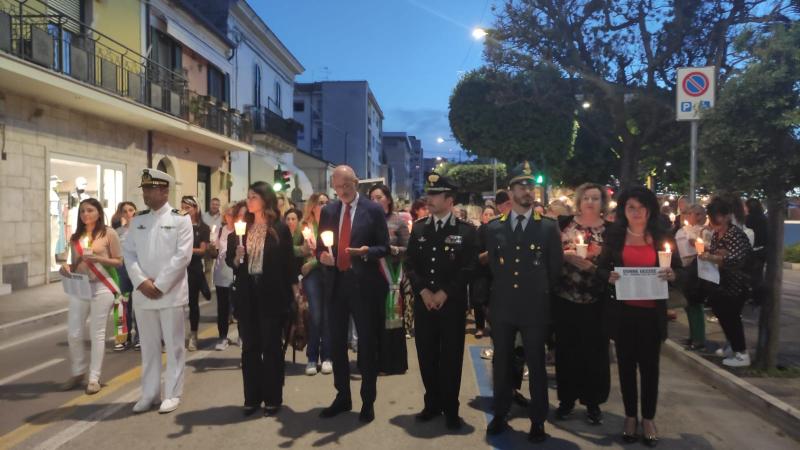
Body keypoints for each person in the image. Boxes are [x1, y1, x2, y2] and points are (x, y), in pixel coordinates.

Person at [595, 186, 682, 446]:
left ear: (650, 209)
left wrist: (673, 275)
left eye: (641, 207)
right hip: (623, 313)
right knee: (626, 368)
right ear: (623, 210)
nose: (636, 212)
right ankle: (630, 416)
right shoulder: (614, 236)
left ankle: (649, 418)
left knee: (650, 368)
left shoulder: (661, 237)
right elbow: (600, 269)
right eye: (631, 207)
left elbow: (680, 271)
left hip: (651, 315)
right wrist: (607, 276)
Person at [483, 162, 563, 443]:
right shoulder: (494, 228)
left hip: (535, 307)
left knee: (536, 365)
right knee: (502, 363)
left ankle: (538, 420)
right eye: (521, 186)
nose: (528, 190)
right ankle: (501, 413)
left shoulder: (548, 228)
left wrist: (539, 294)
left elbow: (555, 270)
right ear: (511, 191)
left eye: (531, 186)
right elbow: (493, 266)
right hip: (504, 306)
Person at [317, 165, 389, 424]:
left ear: (356, 183)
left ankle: (367, 400)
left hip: (364, 286)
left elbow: (385, 247)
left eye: (347, 185)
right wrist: (322, 257)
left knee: (367, 345)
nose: (343, 191)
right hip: (336, 285)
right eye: (337, 187)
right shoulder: (329, 211)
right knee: (336, 344)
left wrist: (368, 251)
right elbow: (319, 247)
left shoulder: (373, 210)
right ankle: (342, 396)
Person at [405, 173, 477, 430]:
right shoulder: (421, 227)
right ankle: (431, 403)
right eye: (429, 194)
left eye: (435, 195)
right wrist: (423, 291)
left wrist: (445, 292)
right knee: (426, 354)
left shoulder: (465, 231)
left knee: (450, 357)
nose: (429, 199)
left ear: (450, 200)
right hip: (425, 304)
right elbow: (410, 264)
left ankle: (450, 408)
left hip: (451, 305)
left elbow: (469, 268)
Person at [227, 182, 300, 416]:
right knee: (250, 348)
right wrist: (237, 258)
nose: (249, 201)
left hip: (271, 294)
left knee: (271, 347)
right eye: (248, 196)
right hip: (248, 295)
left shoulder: (278, 228)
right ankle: (252, 398)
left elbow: (288, 264)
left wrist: (295, 292)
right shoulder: (242, 228)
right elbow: (232, 262)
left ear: (265, 200)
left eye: (253, 196)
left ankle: (272, 398)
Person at [124, 169, 193, 414]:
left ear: (164, 190)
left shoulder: (180, 219)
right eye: (144, 189)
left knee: (174, 346)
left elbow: (182, 256)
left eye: (149, 189)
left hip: (170, 293)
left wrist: (160, 284)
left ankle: (173, 393)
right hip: (144, 294)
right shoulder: (138, 220)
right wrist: (142, 282)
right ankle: (150, 393)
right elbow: (129, 254)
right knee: (149, 346)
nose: (145, 194)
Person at [553, 183, 612, 425]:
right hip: (566, 297)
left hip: (596, 299)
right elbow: (548, 253)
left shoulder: (611, 230)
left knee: (595, 352)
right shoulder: (564, 224)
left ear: (602, 203)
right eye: (586, 197)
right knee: (567, 351)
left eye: (595, 198)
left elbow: (615, 262)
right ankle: (566, 400)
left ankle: (593, 402)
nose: (590, 202)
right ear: (578, 201)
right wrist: (564, 255)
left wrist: (595, 262)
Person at [60, 198, 123, 395]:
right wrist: (66, 269)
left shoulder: (108, 233)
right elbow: (74, 264)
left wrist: (99, 259)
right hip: (80, 287)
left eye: (89, 210)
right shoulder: (76, 237)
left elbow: (119, 262)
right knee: (74, 332)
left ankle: (94, 377)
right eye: (82, 212)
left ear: (98, 212)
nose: (85, 214)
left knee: (97, 334)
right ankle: (78, 371)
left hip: (101, 287)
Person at [700, 195, 753, 367]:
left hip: (737, 283)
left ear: (727, 216)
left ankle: (742, 352)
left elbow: (734, 260)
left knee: (731, 317)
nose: (715, 223)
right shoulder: (717, 234)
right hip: (720, 282)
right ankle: (733, 346)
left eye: (718, 219)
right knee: (722, 314)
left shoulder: (735, 234)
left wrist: (713, 257)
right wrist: (713, 254)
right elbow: (718, 253)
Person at [369, 184, 410, 375]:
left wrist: (393, 250)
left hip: (391, 277)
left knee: (391, 321)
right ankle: (372, 361)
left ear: (388, 199)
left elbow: (408, 249)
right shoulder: (366, 221)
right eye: (372, 198)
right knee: (372, 320)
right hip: (371, 276)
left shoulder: (398, 221)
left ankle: (391, 362)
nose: (375, 201)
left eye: (379, 197)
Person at [299, 193, 332, 376]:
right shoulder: (305, 226)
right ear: (312, 206)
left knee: (328, 316)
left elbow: (333, 251)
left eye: (327, 202)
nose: (324, 206)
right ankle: (312, 357)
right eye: (320, 203)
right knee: (316, 315)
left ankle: (327, 356)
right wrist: (303, 250)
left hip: (328, 273)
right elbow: (292, 248)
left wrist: (313, 262)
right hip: (311, 276)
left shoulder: (332, 224)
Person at [675, 204, 711, 350]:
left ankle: (699, 339)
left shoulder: (705, 231)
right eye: (689, 214)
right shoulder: (685, 230)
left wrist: (695, 243)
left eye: (696, 214)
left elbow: (704, 251)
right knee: (688, 306)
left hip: (696, 270)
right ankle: (693, 336)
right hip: (685, 270)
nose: (691, 217)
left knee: (696, 305)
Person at [181, 196, 210, 352]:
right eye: (183, 207)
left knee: (193, 304)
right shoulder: (176, 225)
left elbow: (203, 250)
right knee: (177, 304)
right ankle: (176, 336)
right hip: (178, 268)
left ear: (195, 209)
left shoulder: (202, 228)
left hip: (193, 268)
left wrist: (187, 250)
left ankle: (193, 335)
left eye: (188, 207)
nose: (184, 210)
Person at [111, 201, 139, 351]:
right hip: (122, 270)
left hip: (138, 270)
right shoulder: (117, 232)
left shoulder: (142, 230)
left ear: (135, 211)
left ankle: (140, 337)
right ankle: (122, 338)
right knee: (122, 305)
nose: (128, 213)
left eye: (131, 210)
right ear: (121, 214)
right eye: (125, 211)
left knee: (139, 306)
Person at [211, 204, 236, 350]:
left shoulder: (241, 231)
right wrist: (212, 246)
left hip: (236, 273)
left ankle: (242, 336)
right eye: (228, 214)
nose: (230, 217)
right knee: (222, 307)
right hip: (222, 273)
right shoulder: (220, 231)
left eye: (233, 214)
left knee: (239, 307)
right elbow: (215, 252)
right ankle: (222, 336)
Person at [471, 205, 497, 338]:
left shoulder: (498, 230)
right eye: (486, 214)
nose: (488, 217)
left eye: (491, 214)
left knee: (492, 301)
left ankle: (493, 325)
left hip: (495, 272)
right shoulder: (478, 231)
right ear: (482, 217)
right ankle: (480, 327)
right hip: (480, 271)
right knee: (479, 300)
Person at [745, 198, 768, 305]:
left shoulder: (748, 219)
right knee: (758, 275)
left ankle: (754, 297)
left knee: (751, 275)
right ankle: (758, 298)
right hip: (762, 250)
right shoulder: (764, 219)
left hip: (752, 250)